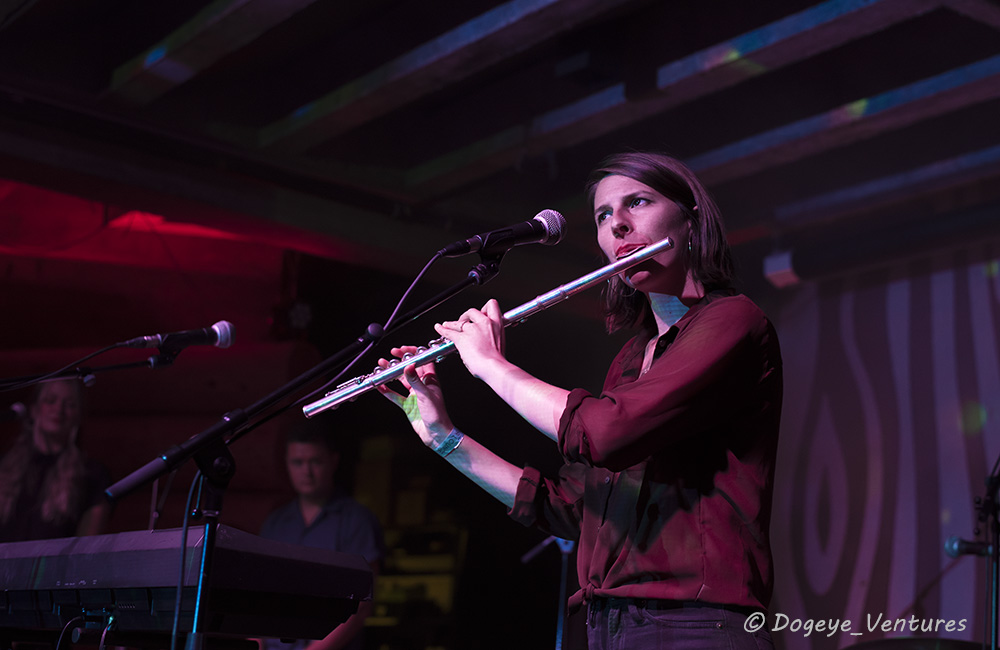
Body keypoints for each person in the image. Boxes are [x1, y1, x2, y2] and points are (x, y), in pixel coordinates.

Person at [377, 152, 782, 649]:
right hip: (609, 625)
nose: (619, 226)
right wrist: (445, 438)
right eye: (603, 216)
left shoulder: (732, 322)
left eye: (638, 202)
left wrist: (491, 366)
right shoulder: (631, 360)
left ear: (690, 217)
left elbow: (606, 432)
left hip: (695, 624)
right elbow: (573, 510)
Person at [259, 422, 385, 650]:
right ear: (287, 464)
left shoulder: (356, 521)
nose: (306, 471)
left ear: (333, 461)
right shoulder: (275, 523)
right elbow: (255, 595)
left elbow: (363, 604)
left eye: (315, 461)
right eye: (297, 462)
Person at [0, 378, 112, 542]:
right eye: (50, 401)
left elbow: (87, 547)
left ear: (79, 415)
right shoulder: (5, 467)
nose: (58, 410)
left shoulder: (92, 475)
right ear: (34, 409)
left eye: (70, 404)